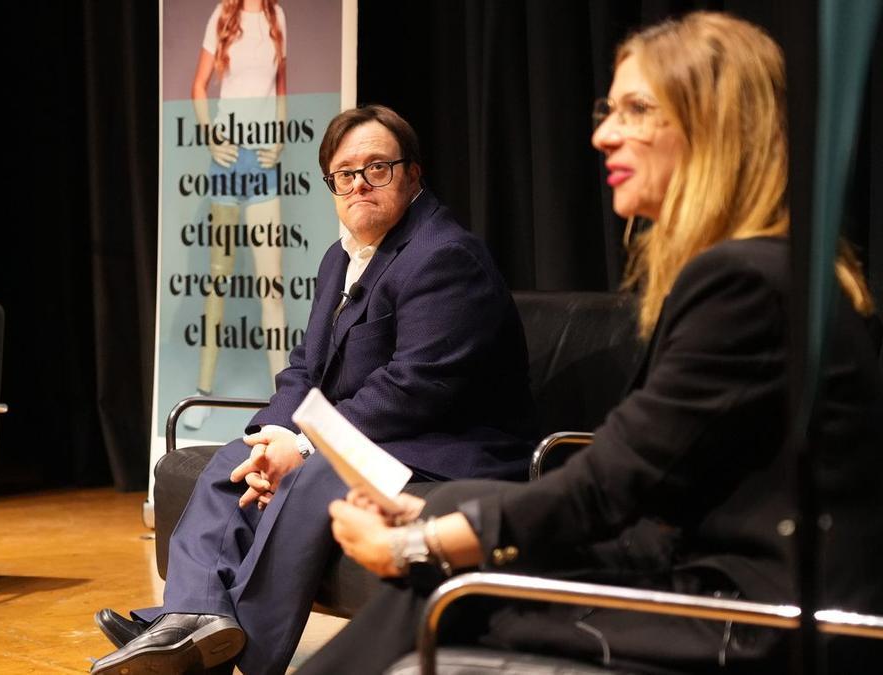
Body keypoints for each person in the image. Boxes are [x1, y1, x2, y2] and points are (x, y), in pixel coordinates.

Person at [300, 12, 883, 674]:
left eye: (637, 109)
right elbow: (636, 473)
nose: (604, 135)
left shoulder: (744, 283)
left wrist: (414, 544)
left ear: (716, 127)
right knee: (443, 554)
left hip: (750, 616)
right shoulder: (759, 268)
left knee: (440, 585)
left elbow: (610, 487)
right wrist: (420, 507)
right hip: (705, 573)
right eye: (610, 109)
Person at [92, 105, 535, 674]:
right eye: (344, 174)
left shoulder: (443, 254)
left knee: (315, 472)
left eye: (378, 168)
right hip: (380, 438)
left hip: (448, 448)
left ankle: (246, 654)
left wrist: (302, 448)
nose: (359, 184)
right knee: (234, 457)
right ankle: (190, 623)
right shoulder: (339, 258)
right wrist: (272, 436)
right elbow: (306, 368)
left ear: (414, 175)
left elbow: (414, 387)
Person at [180, 0, 290, 431]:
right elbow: (198, 86)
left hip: (263, 162)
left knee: (271, 286)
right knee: (218, 280)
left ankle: (284, 396)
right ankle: (203, 393)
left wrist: (279, 139)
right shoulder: (222, 16)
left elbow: (282, 88)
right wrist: (210, 137)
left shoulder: (276, 17)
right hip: (227, 162)